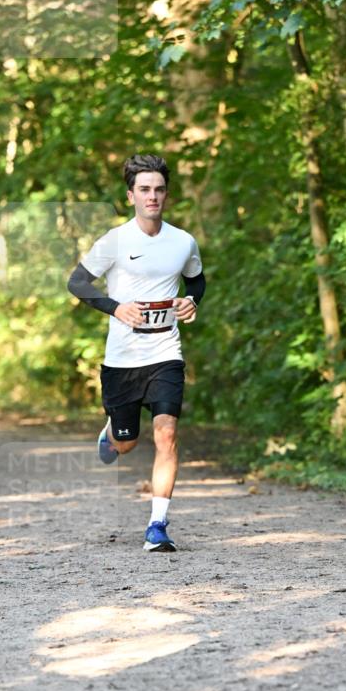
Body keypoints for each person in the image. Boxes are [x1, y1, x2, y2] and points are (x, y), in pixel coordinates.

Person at [67, 154, 206, 552]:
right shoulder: (114, 241)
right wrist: (116, 307)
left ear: (166, 195)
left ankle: (157, 526)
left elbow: (197, 281)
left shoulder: (183, 241)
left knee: (167, 433)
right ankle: (113, 434)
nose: (153, 197)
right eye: (144, 190)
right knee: (127, 444)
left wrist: (190, 302)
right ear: (131, 195)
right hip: (123, 359)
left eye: (159, 190)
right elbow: (77, 283)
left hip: (166, 350)